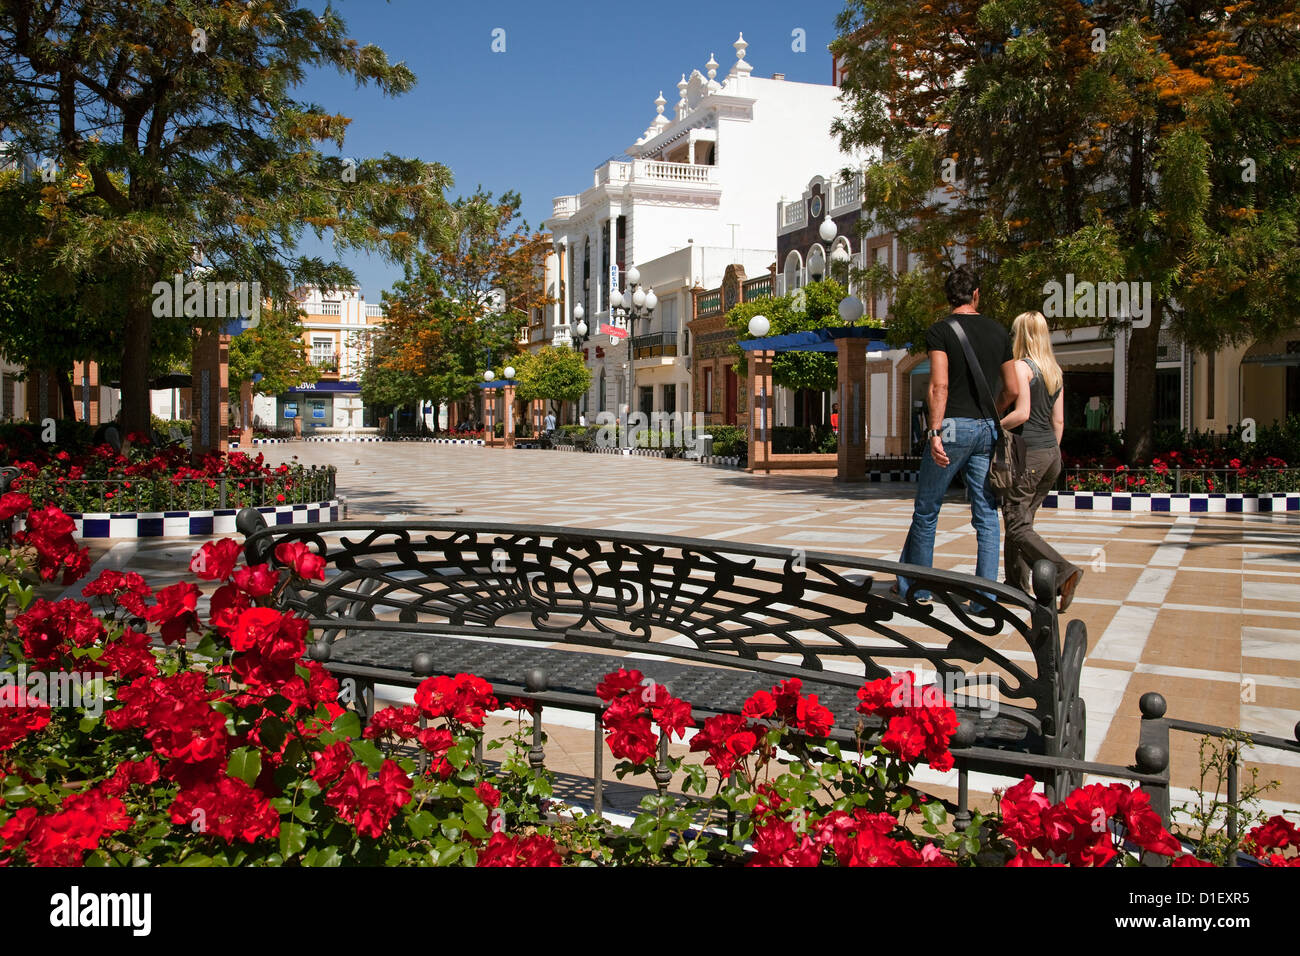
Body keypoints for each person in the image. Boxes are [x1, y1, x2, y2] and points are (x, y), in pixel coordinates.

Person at [894, 264, 1017, 607]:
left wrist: (933, 431)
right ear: (977, 294)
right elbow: (1011, 388)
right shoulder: (998, 331)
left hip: (951, 426)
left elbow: (940, 385)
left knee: (928, 509)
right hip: (987, 429)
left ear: (949, 296)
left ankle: (918, 591)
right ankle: (984, 597)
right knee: (986, 513)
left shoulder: (941, 331)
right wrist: (993, 410)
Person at [1000, 311, 1084, 611]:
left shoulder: (1023, 368)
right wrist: (1051, 452)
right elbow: (1058, 421)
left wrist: (995, 425)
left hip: (1030, 453)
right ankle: (1014, 586)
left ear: (1021, 334)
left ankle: (1064, 572)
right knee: (1022, 522)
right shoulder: (1054, 370)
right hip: (1050, 454)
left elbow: (1021, 414)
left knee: (1016, 522)